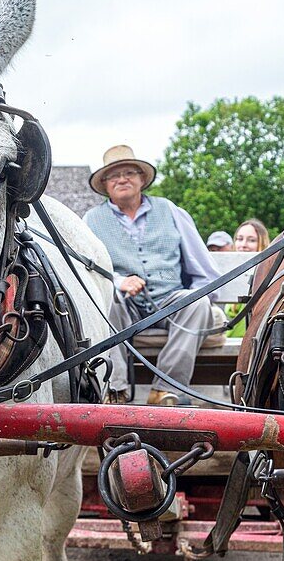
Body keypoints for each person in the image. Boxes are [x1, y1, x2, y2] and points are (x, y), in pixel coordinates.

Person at [84, 145, 221, 406]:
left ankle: (165, 390)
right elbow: (85, 270)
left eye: (129, 172)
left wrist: (200, 302)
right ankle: (115, 390)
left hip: (170, 304)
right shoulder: (91, 220)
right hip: (124, 309)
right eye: (114, 175)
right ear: (105, 184)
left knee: (198, 302)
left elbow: (204, 271)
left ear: (142, 179)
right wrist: (118, 281)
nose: (122, 179)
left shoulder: (170, 210)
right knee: (108, 298)